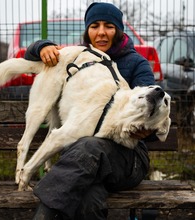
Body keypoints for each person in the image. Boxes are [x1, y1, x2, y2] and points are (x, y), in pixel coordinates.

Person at [25, 2, 156, 220]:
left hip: (127, 160)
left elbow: (152, 109)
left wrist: (146, 130)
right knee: (88, 198)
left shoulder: (136, 64)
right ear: (87, 31)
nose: (101, 32)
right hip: (79, 164)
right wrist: (42, 46)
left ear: (119, 31)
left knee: (91, 144)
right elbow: (29, 62)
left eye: (109, 26)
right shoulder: (78, 58)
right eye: (94, 26)